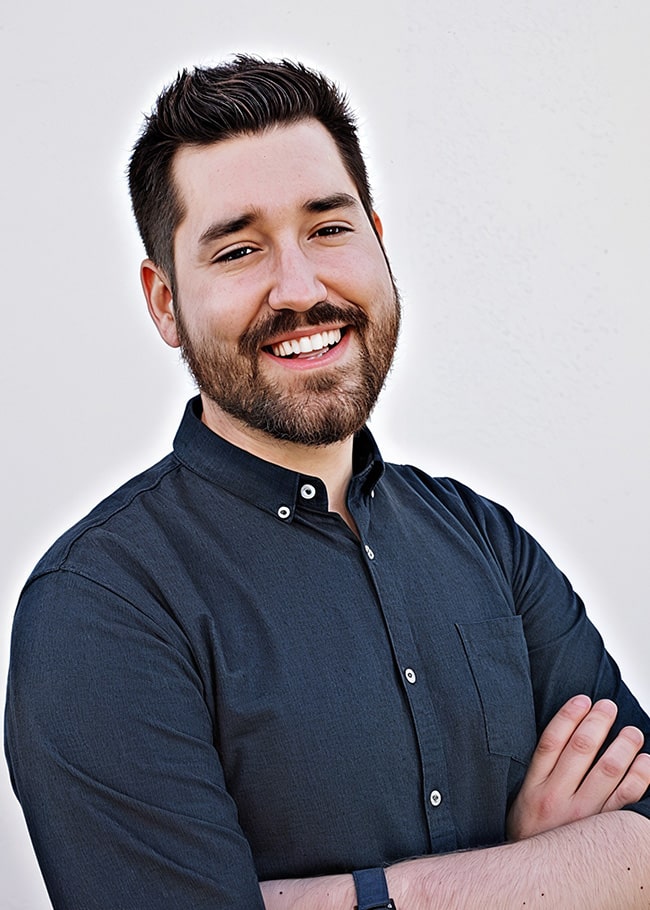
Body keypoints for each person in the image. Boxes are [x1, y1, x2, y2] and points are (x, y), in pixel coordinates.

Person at [5, 55, 650, 910]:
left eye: (330, 229)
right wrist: (540, 872)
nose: (301, 288)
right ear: (164, 303)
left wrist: (351, 898)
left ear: (380, 240)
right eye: (238, 249)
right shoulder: (102, 605)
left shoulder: (487, 543)